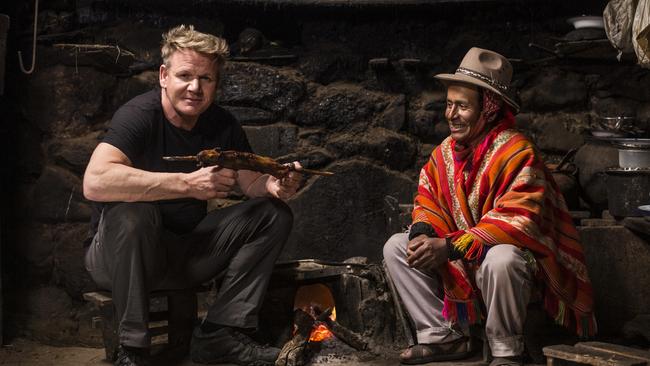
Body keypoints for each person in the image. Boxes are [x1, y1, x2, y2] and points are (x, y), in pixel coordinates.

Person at [83, 24, 302, 366]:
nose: (194, 87)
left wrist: (276, 186)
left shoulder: (221, 124)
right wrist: (186, 184)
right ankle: (133, 350)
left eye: (206, 79)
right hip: (118, 258)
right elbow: (94, 182)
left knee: (273, 213)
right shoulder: (139, 116)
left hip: (185, 256)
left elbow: (251, 184)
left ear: (216, 84)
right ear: (163, 76)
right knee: (134, 213)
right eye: (185, 75)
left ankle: (219, 334)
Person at [383, 47, 596, 366]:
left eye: (462, 106)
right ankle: (444, 337)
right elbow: (427, 199)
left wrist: (449, 247)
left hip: (512, 265)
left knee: (502, 258)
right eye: (449, 104)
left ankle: (506, 349)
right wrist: (423, 234)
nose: (451, 114)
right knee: (397, 247)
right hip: (459, 256)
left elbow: (517, 222)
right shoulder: (444, 153)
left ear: (490, 109)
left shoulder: (519, 153)